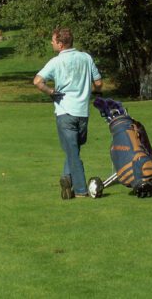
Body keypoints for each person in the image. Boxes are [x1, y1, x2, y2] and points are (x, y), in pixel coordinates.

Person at [33, 27, 103, 199]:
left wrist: (50, 92)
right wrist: (93, 92)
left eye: (53, 41)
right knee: (74, 149)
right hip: (82, 113)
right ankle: (67, 179)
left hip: (64, 112)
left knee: (73, 151)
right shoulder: (86, 58)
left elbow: (37, 81)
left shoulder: (56, 62)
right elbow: (99, 83)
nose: (51, 43)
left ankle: (79, 190)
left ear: (61, 44)